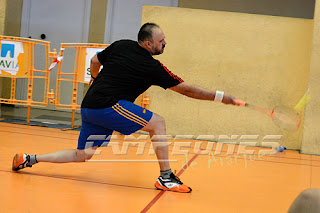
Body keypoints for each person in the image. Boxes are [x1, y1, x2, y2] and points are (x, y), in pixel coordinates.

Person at [12, 23, 237, 193]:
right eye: (161, 41)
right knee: (158, 123)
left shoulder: (121, 45)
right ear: (148, 44)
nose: (164, 43)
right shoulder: (151, 66)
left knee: (84, 154)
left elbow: (94, 62)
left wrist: (94, 80)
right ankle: (166, 177)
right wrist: (220, 97)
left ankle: (29, 158)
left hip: (90, 105)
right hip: (107, 105)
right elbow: (187, 90)